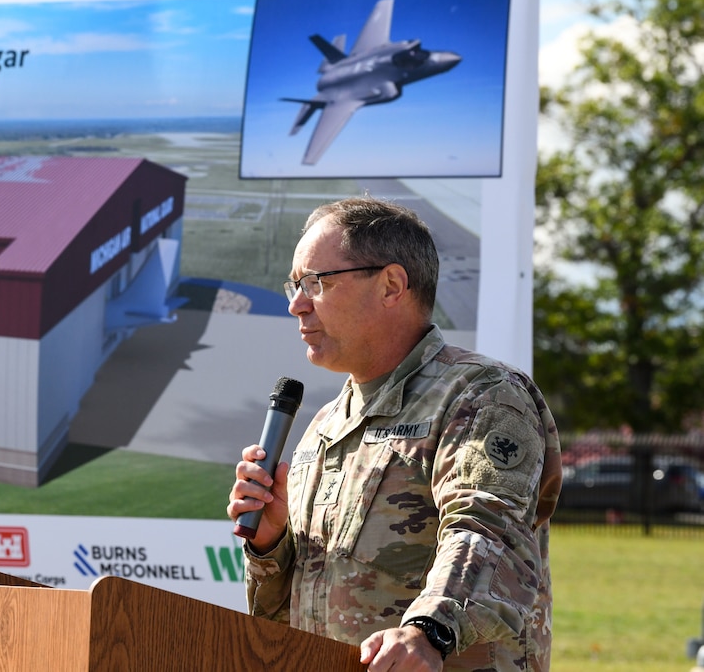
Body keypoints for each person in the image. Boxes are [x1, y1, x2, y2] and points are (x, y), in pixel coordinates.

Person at [227, 197, 562, 671]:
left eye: (315, 283)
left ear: (391, 285)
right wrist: (270, 545)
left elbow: (488, 531)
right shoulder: (324, 425)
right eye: (294, 284)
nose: (295, 304)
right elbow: (285, 616)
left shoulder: (482, 395)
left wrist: (428, 631)